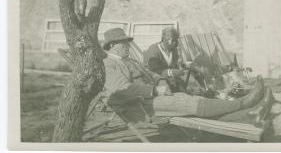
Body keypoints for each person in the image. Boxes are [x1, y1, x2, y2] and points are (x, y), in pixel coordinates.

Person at [101, 28, 265, 122]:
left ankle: (242, 110)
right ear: (113, 45)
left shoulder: (128, 60)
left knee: (189, 98)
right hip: (139, 106)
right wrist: (155, 90)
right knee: (190, 105)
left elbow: (150, 73)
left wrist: (160, 81)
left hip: (150, 98)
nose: (128, 45)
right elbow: (121, 90)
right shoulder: (110, 64)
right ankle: (244, 103)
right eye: (124, 42)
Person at [143, 27, 187, 92]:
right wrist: (170, 72)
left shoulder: (174, 50)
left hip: (172, 81)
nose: (170, 42)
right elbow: (152, 71)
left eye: (174, 40)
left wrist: (181, 66)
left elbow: (175, 65)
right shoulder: (153, 50)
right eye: (168, 39)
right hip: (157, 81)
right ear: (163, 38)